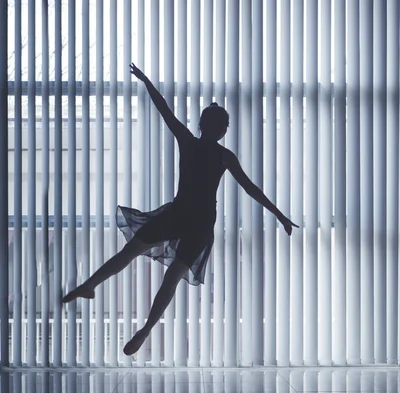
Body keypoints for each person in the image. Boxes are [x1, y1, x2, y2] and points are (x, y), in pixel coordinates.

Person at [62, 62, 299, 355]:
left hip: (180, 215)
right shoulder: (223, 155)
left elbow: (164, 110)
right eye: (223, 125)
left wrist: (147, 80)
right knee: (169, 277)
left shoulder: (190, 143)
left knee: (131, 254)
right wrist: (280, 216)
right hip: (197, 222)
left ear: (203, 126)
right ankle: (143, 328)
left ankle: (90, 286)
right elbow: (251, 189)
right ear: (220, 129)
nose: (223, 129)